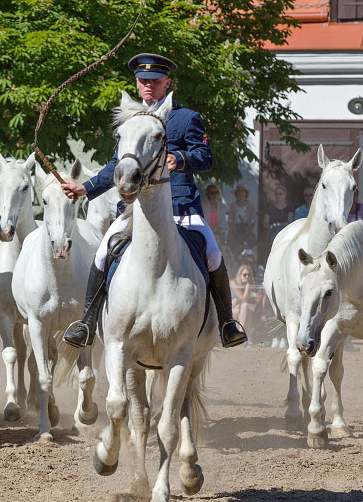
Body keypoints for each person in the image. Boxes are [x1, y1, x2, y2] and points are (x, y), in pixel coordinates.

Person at [60, 53, 247, 348]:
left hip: (180, 206)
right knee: (102, 254)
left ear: (167, 83)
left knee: (213, 255)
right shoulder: (130, 121)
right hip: (135, 209)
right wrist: (85, 188)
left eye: (155, 81)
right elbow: (116, 166)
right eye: (144, 81)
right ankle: (87, 321)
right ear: (136, 84)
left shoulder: (186, 118)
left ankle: (227, 322)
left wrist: (181, 158)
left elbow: (205, 157)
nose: (149, 85)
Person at [263, 186, 293, 255]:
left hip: (285, 232)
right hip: (272, 232)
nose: (278, 195)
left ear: (285, 195)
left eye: (280, 193)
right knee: (276, 230)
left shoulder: (289, 208)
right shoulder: (269, 208)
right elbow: (265, 224)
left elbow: (290, 222)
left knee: (278, 229)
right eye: (276, 194)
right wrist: (273, 226)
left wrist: (278, 225)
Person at [202, 183, 229, 256]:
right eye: (212, 193)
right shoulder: (203, 206)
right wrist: (211, 230)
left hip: (220, 232)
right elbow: (203, 222)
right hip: (207, 232)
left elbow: (223, 222)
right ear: (208, 194)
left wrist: (218, 230)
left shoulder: (222, 207)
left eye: (216, 192)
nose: (214, 195)